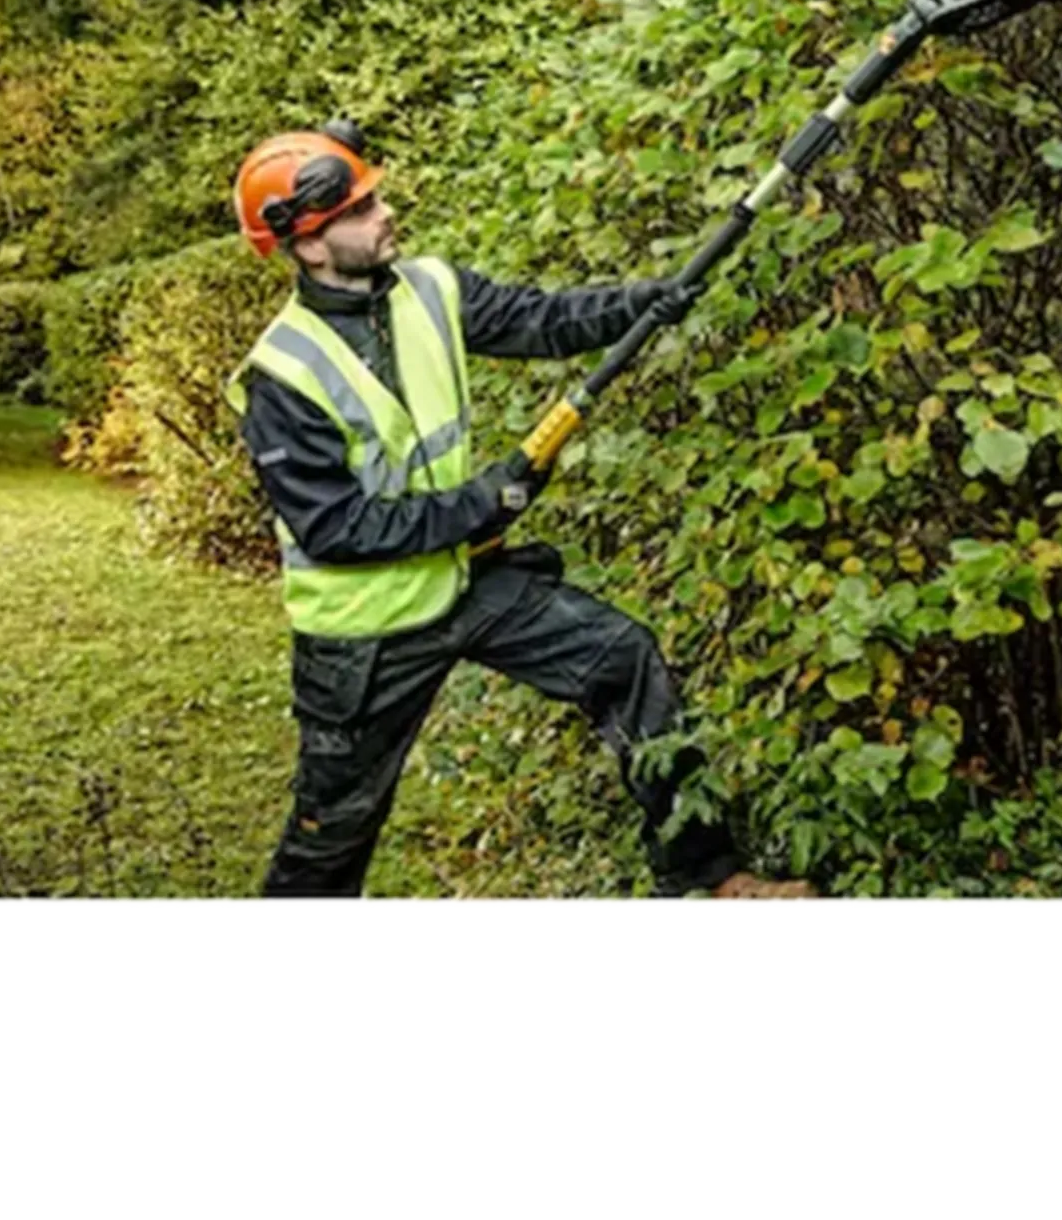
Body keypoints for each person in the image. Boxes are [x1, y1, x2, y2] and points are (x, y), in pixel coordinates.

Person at [226, 120, 816, 902]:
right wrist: (482, 503)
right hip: (365, 637)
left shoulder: (429, 289)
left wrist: (644, 303)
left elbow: (542, 319)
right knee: (332, 834)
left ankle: (706, 875)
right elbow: (336, 529)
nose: (386, 212)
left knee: (622, 659)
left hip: (464, 582)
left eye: (376, 197)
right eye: (361, 210)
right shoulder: (283, 372)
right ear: (307, 243)